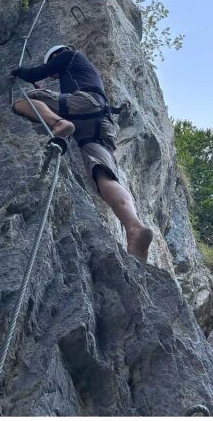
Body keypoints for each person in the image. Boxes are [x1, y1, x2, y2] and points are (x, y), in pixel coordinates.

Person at [10, 44, 155, 262]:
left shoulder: (70, 55)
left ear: (57, 55)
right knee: (103, 175)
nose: (56, 74)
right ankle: (134, 227)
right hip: (101, 123)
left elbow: (37, 73)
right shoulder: (81, 72)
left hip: (84, 105)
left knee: (27, 99)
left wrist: (19, 72)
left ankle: (58, 124)